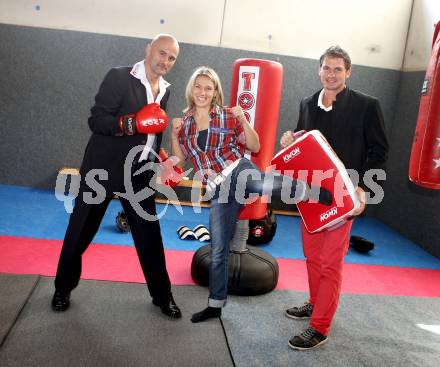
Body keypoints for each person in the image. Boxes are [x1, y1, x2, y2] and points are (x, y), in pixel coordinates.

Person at [171, 66, 332, 323]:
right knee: (218, 247)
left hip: (238, 170)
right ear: (191, 89)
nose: (202, 92)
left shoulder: (227, 115)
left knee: (260, 184)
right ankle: (215, 305)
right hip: (218, 188)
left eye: (208, 88)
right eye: (198, 86)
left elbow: (255, 146)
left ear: (215, 93)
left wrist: (243, 119)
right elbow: (179, 159)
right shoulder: (185, 124)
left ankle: (309, 191)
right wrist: (173, 134)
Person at [52, 34, 182, 319]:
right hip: (103, 169)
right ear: (148, 49)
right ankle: (62, 288)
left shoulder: (165, 90)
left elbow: (154, 130)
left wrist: (159, 158)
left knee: (150, 236)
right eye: (162, 53)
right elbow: (97, 120)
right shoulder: (119, 77)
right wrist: (132, 123)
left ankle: (163, 296)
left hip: (138, 174)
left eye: (172, 58)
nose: (165, 61)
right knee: (81, 230)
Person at [280, 46, 389, 350]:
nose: (331, 74)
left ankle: (320, 327)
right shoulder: (307, 103)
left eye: (337, 69)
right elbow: (304, 141)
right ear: (319, 70)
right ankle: (316, 303)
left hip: (344, 195)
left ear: (348, 72)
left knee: (330, 262)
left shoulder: (367, 105)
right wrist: (290, 139)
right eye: (326, 68)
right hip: (311, 194)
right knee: (313, 256)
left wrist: (363, 188)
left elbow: (379, 151)